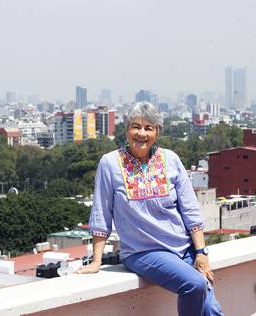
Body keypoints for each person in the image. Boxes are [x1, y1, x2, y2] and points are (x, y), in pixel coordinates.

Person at [75, 102, 223, 316]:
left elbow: (190, 210)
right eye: (136, 127)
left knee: (211, 309)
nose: (141, 133)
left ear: (157, 132)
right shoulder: (110, 164)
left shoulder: (170, 159)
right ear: (126, 130)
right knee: (194, 284)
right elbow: (101, 213)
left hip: (184, 249)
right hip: (143, 252)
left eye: (148, 128)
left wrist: (201, 252)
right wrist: (96, 261)